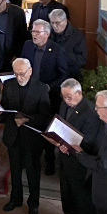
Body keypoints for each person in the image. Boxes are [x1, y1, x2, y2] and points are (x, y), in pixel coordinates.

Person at [0, 58, 51, 214]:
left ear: (30, 71)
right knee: (15, 170)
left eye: (22, 74)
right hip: (13, 136)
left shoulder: (41, 88)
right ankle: (15, 199)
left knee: (32, 172)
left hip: (31, 138)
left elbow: (45, 117)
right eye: (16, 74)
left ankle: (34, 203)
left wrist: (27, 120)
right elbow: (5, 110)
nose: (19, 77)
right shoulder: (9, 85)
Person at [20, 18, 70, 175]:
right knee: (28, 127)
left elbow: (64, 74)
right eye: (33, 31)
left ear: (47, 34)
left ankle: (49, 161)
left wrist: (49, 87)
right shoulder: (27, 45)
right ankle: (26, 159)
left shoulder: (57, 50)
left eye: (37, 32)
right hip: (28, 95)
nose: (34, 35)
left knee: (48, 130)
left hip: (48, 98)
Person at [52, 79, 100, 214]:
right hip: (65, 157)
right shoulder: (65, 104)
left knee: (82, 196)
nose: (66, 100)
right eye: (64, 97)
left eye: (69, 97)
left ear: (79, 93)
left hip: (80, 161)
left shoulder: (90, 112)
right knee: (66, 192)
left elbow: (90, 140)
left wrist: (69, 145)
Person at [49, 8, 87, 80]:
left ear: (65, 21)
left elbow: (82, 60)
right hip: (51, 75)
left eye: (57, 23)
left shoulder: (77, 36)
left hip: (69, 75)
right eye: (52, 22)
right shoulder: (48, 34)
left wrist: (63, 57)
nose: (54, 26)